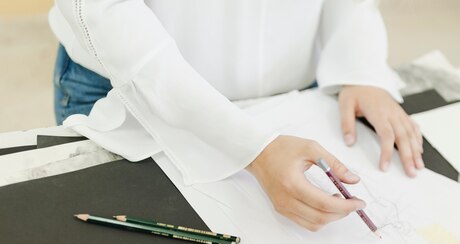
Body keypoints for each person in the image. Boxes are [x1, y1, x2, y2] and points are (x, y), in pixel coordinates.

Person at [50, 0, 424, 231]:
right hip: (129, 88)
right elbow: (109, 13)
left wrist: (359, 66)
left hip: (292, 90)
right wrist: (249, 147)